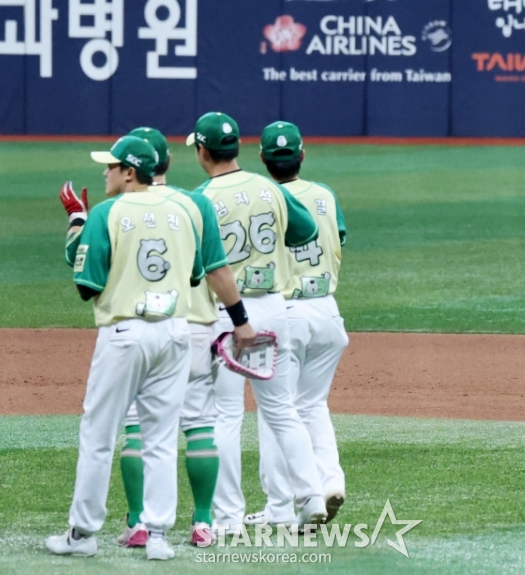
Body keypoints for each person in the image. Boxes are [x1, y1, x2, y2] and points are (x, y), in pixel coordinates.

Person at [45, 136, 254, 560]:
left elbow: (87, 286)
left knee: (99, 433)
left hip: (125, 334)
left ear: (130, 172)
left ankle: (82, 534)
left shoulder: (107, 213)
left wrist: (80, 225)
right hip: (175, 332)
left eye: (112, 166)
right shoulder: (187, 208)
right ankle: (158, 537)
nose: (105, 172)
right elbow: (197, 274)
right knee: (161, 436)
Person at [183, 112, 328, 531]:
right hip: (274, 309)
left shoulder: (200, 198)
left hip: (228, 314)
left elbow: (196, 266)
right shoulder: (270, 188)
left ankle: (228, 517)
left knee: (225, 414)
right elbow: (304, 233)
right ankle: (311, 497)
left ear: (202, 151)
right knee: (282, 408)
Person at [242, 121, 350, 524]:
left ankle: (279, 508)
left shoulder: (262, 199)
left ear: (262, 158)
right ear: (302, 154)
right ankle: (330, 481)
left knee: (276, 410)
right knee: (312, 405)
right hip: (327, 311)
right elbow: (339, 238)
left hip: (285, 314)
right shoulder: (324, 194)